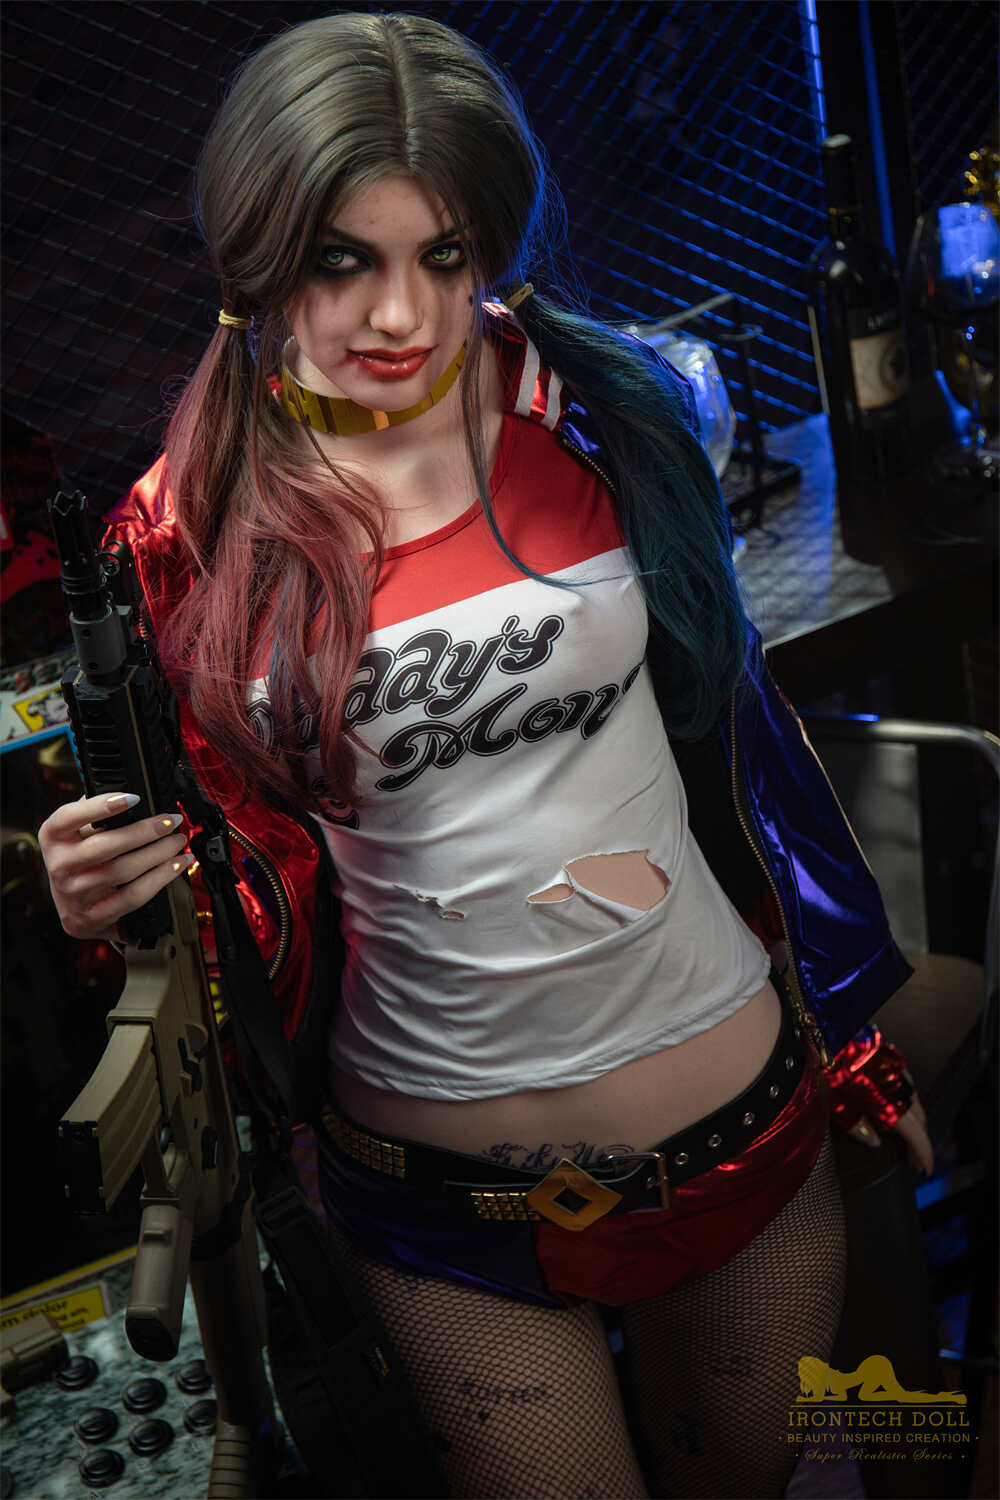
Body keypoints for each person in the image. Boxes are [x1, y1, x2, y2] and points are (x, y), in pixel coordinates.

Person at [39, 13, 933, 1498]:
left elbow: (741, 744)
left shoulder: (604, 412)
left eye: (443, 256)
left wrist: (847, 1018)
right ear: (259, 257)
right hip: (438, 1202)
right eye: (344, 260)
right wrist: (113, 899)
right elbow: (229, 885)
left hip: (741, 1139)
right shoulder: (186, 527)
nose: (400, 314)